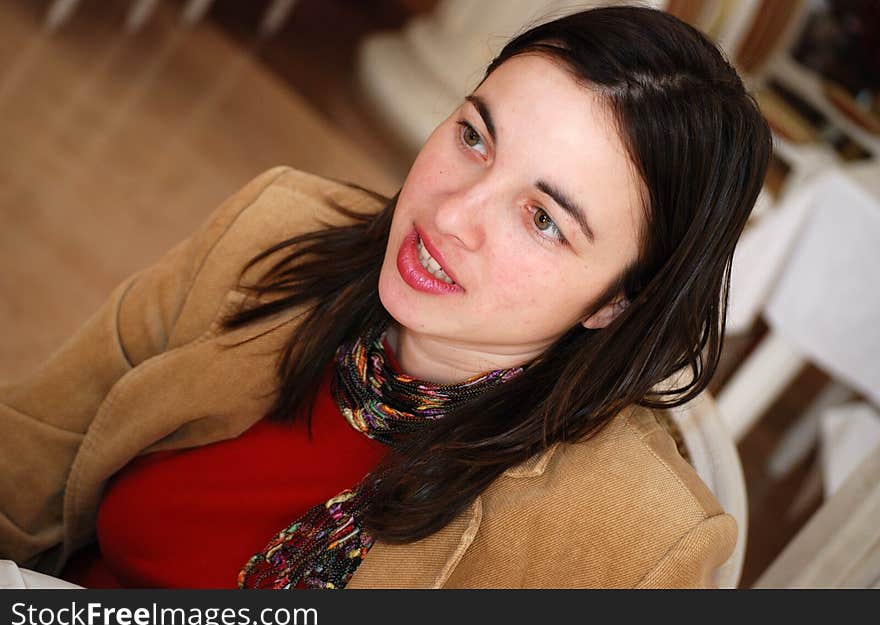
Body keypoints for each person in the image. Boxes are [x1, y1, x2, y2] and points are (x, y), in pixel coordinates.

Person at [0, 5, 770, 589]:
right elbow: (27, 460)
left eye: (543, 219)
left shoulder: (628, 543)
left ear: (616, 302)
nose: (450, 215)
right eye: (475, 136)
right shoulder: (268, 230)